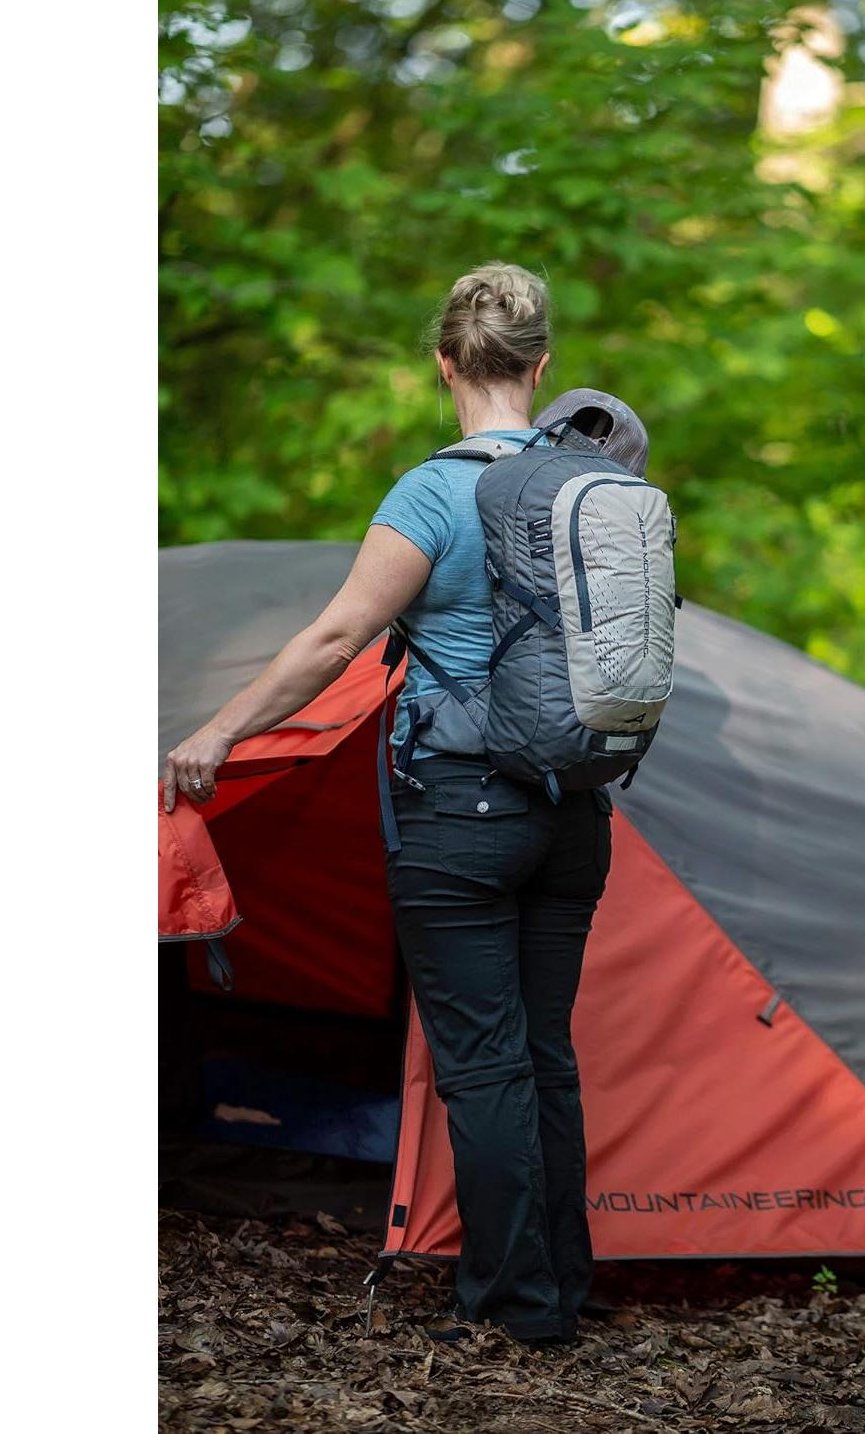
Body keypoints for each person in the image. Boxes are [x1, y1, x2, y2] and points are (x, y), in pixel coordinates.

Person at [162, 262, 612, 1346]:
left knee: (485, 1062)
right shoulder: (588, 489)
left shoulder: (433, 491)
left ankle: (514, 1308)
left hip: (463, 810)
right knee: (544, 1053)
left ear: (445, 364)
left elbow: (333, 638)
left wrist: (218, 734)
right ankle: (563, 1286)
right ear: (542, 367)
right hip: (576, 810)